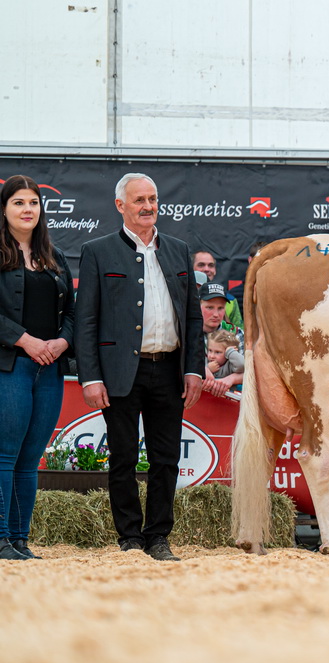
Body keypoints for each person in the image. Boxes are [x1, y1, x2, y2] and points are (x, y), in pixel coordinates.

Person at [75, 173, 204, 562]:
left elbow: (193, 317)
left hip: (168, 369)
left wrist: (194, 368)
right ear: (121, 206)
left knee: (166, 459)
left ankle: (158, 536)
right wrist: (91, 377)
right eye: (139, 200)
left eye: (152, 198)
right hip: (118, 374)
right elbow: (86, 321)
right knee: (124, 457)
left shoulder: (179, 249)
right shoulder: (97, 251)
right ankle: (129, 538)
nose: (148, 206)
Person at [0, 176, 74, 561]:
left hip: (51, 369)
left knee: (31, 459)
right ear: (4, 209)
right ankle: (1, 539)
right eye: (18, 202)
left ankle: (19, 540)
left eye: (33, 202)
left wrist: (62, 341)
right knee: (5, 455)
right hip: (11, 366)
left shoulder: (55, 256)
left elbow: (75, 313)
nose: (27, 209)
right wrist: (25, 340)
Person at [199, 282, 243, 398]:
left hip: (227, 399)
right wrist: (200, 370)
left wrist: (231, 379)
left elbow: (253, 371)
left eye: (220, 308)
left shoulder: (236, 333)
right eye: (209, 307)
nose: (216, 314)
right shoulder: (186, 332)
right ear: (197, 306)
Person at [193, 250, 242, 329]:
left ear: (215, 270)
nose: (206, 269)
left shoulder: (230, 300)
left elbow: (238, 332)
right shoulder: (181, 299)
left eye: (211, 265)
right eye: (201, 265)